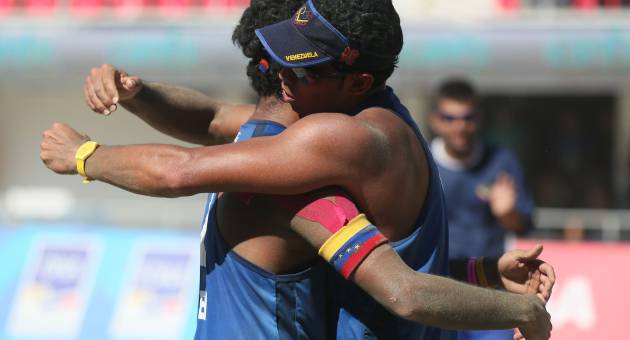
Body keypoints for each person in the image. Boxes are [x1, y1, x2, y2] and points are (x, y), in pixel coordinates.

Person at [41, 1, 553, 339]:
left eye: (302, 66)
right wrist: (137, 91)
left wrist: (83, 157)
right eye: (280, 59)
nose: (286, 73)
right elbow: (216, 119)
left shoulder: (328, 144)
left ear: (358, 82)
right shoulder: (346, 125)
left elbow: (182, 170)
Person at [430, 79, 536, 340]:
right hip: (437, 290)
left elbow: (523, 224)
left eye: (468, 117)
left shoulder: (500, 161)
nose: (460, 126)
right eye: (450, 117)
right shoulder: (421, 162)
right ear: (435, 120)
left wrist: (507, 213)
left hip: (490, 290)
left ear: (479, 118)